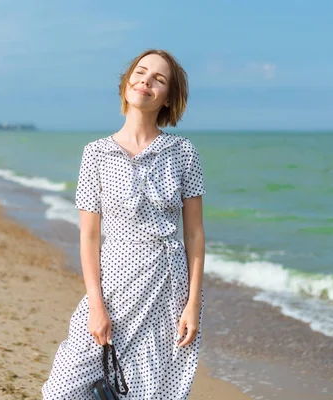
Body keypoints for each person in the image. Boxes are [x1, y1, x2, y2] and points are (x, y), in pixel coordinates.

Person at [42, 49, 207, 399]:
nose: (146, 80)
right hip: (114, 285)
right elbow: (88, 237)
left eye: (159, 79)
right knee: (62, 389)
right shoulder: (96, 153)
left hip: (167, 288)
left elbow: (194, 234)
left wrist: (192, 304)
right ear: (127, 82)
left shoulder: (183, 153)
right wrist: (96, 304)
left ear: (168, 98)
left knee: (149, 392)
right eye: (141, 72)